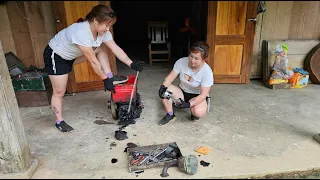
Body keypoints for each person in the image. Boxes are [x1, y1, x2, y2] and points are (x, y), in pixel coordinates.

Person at [42, 5, 143, 132]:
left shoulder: (102, 32)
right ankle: (59, 121)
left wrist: (131, 64)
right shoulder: (81, 32)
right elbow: (93, 61)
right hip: (57, 56)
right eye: (106, 25)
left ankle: (110, 76)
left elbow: (115, 48)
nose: (108, 29)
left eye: (110, 25)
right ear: (95, 21)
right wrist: (104, 79)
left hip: (72, 55)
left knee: (101, 48)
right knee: (59, 92)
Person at [158, 41, 213, 126]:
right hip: (182, 91)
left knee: (198, 112)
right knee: (165, 91)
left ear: (203, 59)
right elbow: (170, 78)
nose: (192, 60)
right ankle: (170, 115)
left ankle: (194, 111)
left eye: (196, 58)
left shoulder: (207, 72)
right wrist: (163, 86)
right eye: (191, 56)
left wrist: (189, 104)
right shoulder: (181, 62)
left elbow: (202, 95)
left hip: (197, 95)